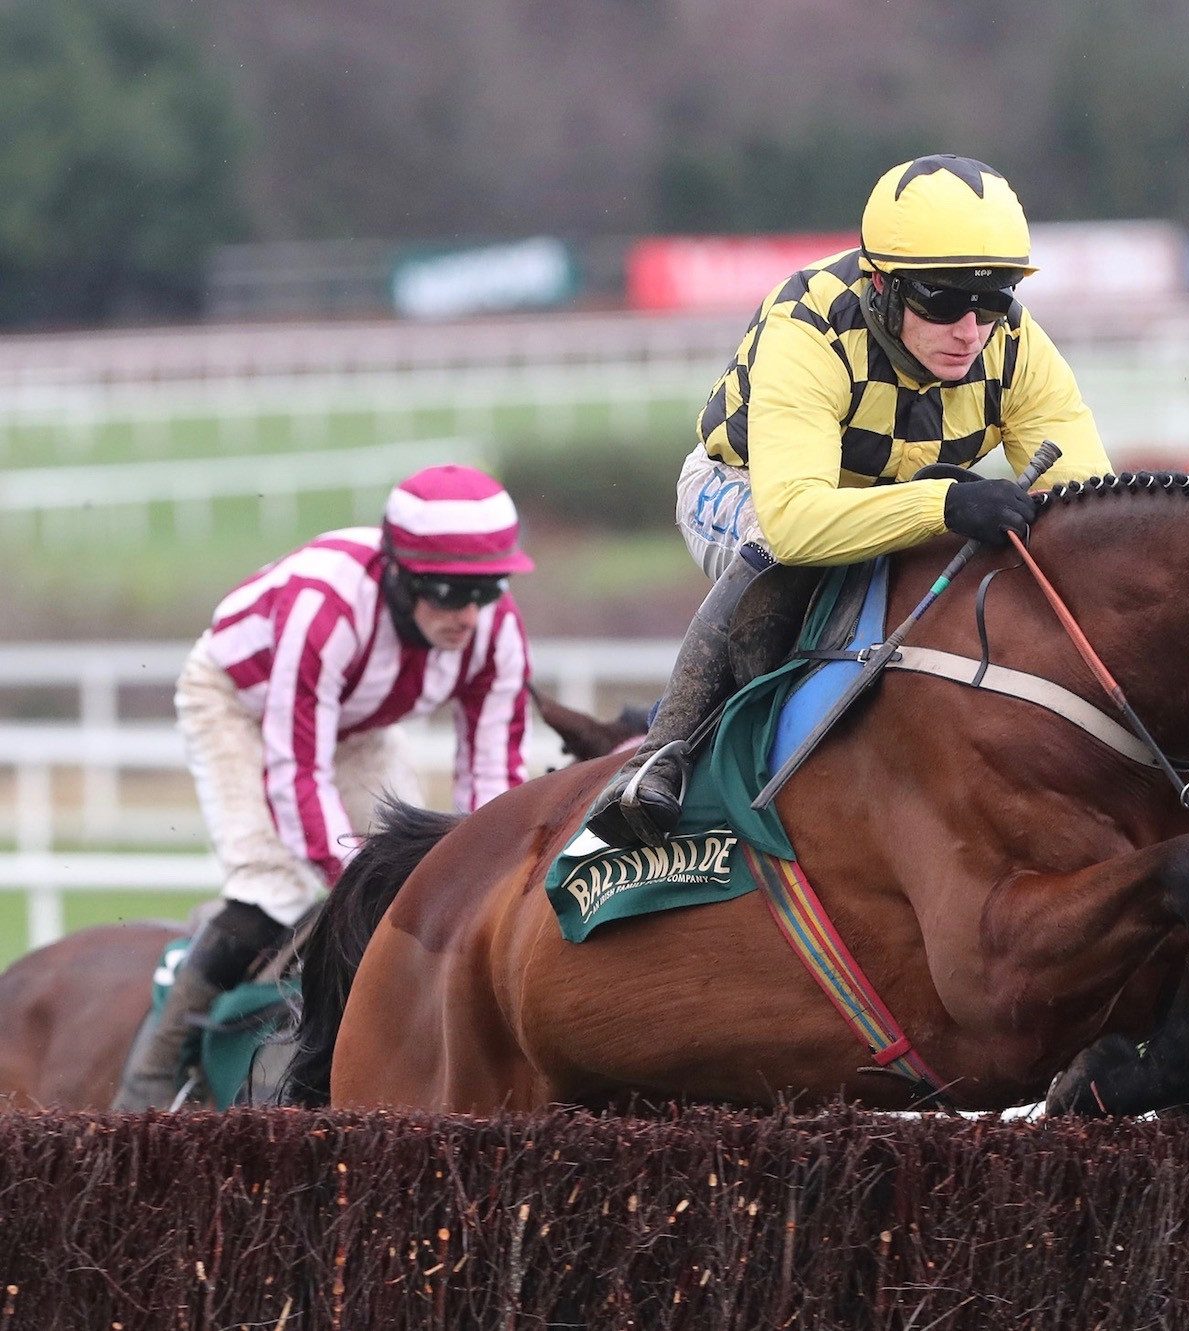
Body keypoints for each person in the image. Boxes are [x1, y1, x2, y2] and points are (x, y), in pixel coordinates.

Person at [587, 153, 1114, 851]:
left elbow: (1088, 511)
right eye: (943, 301)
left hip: (897, 499)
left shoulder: (1012, 344)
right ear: (881, 285)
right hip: (747, 488)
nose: (970, 330)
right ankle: (660, 756)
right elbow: (798, 522)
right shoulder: (809, 326)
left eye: (994, 300)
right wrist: (944, 505)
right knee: (780, 554)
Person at [113, 464, 536, 1110]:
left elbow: (493, 780)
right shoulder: (326, 607)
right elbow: (296, 770)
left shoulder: (494, 630)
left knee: (417, 874)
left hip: (358, 724)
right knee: (274, 888)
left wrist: (486, 886)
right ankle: (152, 1072)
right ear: (400, 574)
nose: (470, 614)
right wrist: (354, 884)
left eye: (488, 589)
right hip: (241, 705)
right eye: (451, 590)